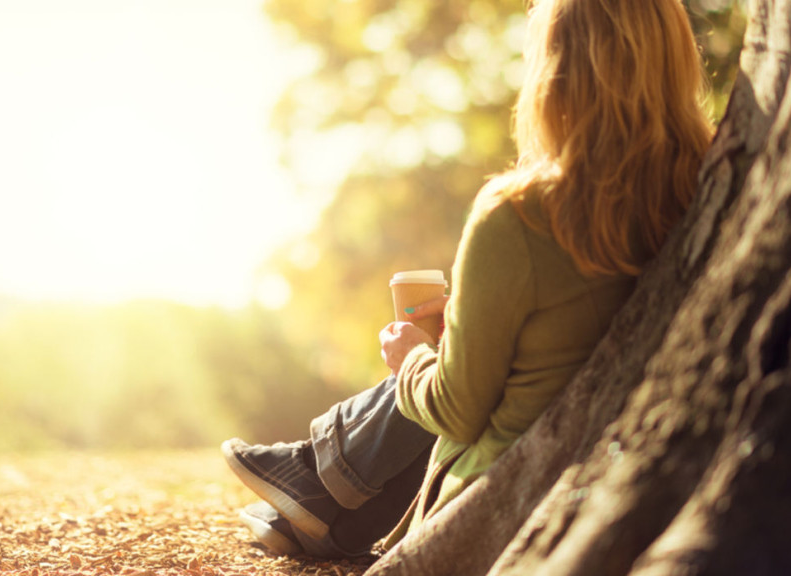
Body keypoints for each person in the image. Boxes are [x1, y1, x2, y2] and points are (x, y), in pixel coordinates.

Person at [223, 0, 714, 558]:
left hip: (504, 501)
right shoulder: (711, 190)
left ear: (553, 71)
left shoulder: (523, 215)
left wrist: (409, 357)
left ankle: (319, 483)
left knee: (438, 367)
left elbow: (457, 408)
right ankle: (316, 491)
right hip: (629, 483)